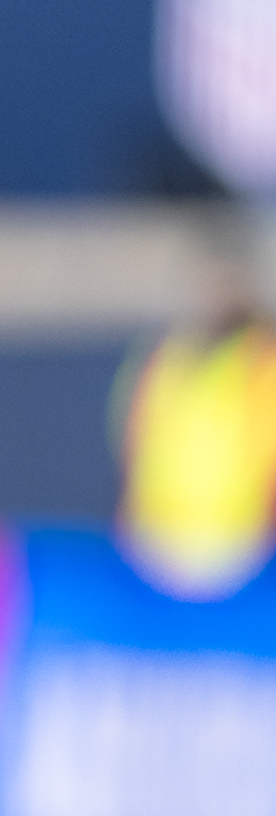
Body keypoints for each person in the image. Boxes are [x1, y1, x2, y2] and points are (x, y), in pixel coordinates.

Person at [110, 245, 276, 599]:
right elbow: (136, 434)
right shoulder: (169, 353)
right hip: (158, 541)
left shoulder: (260, 358)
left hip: (232, 545)